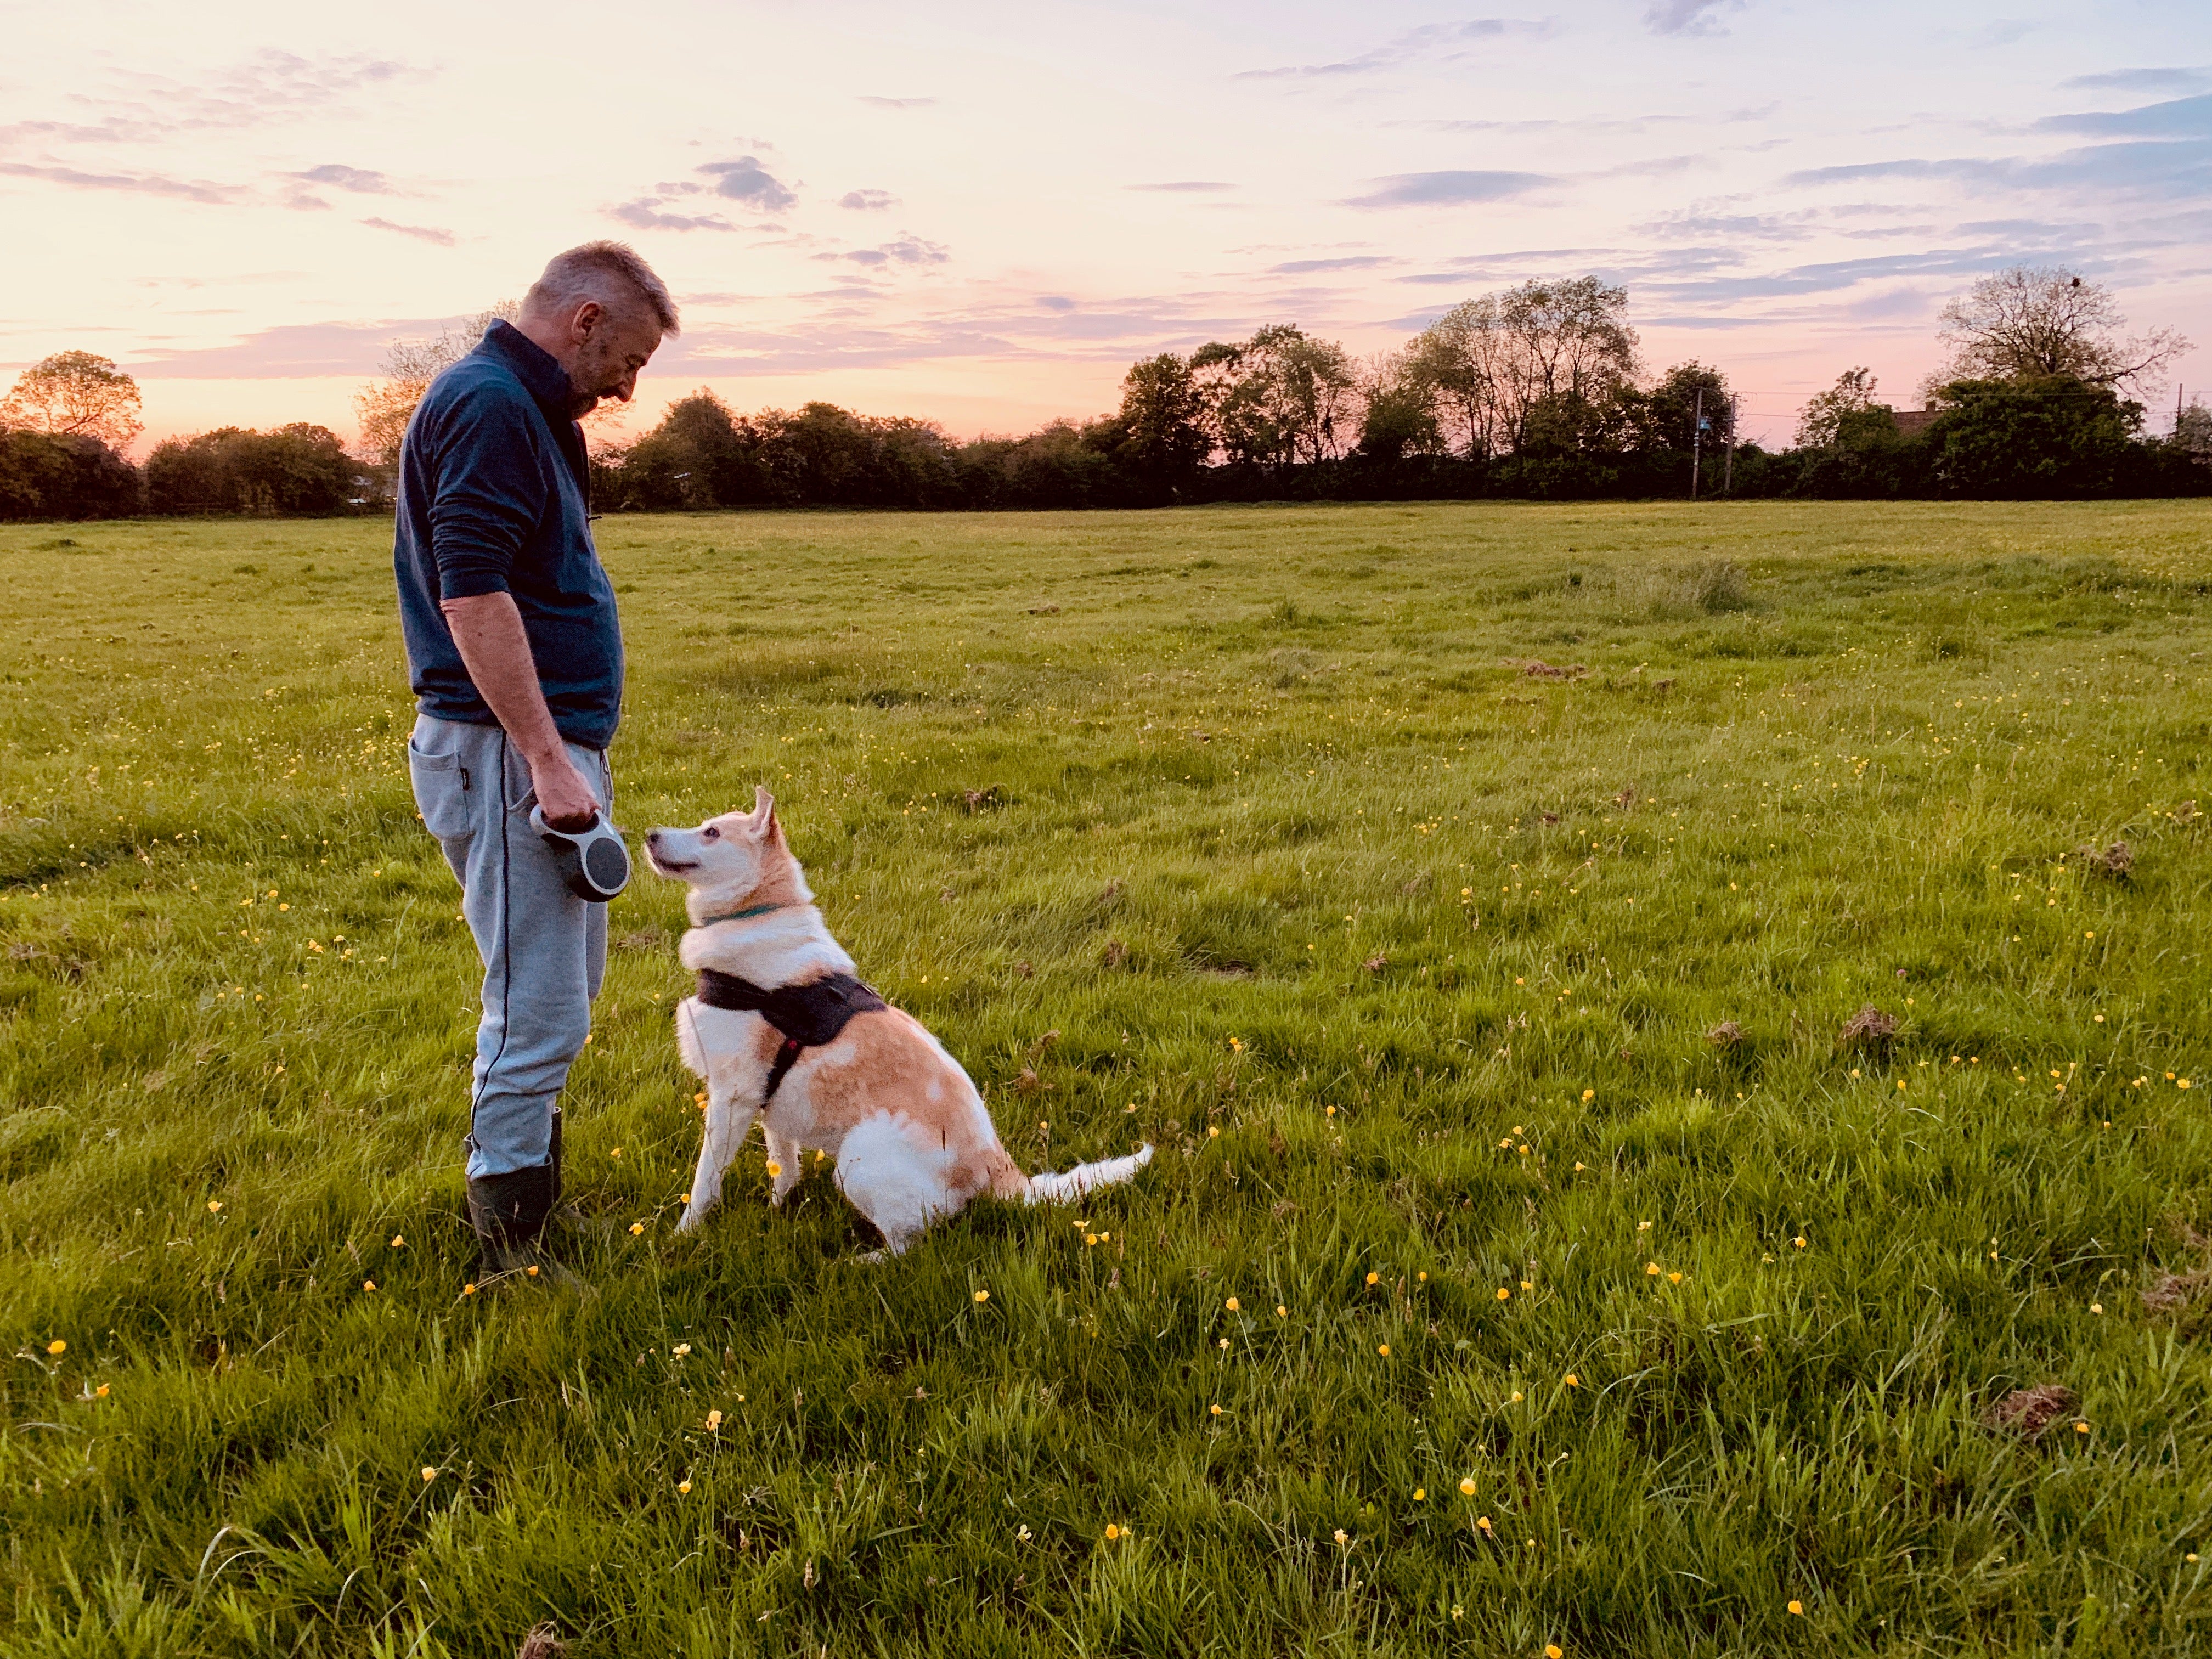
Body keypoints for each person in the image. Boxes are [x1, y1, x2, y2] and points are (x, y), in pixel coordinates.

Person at [393, 241, 679, 1276]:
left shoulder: (524, 408)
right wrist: (548, 763)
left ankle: (534, 1206)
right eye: (631, 359)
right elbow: (472, 590)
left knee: (561, 991)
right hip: (513, 754)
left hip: (535, 751)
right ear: (587, 318)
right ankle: (508, 1250)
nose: (630, 387)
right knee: (538, 1004)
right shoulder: (492, 403)